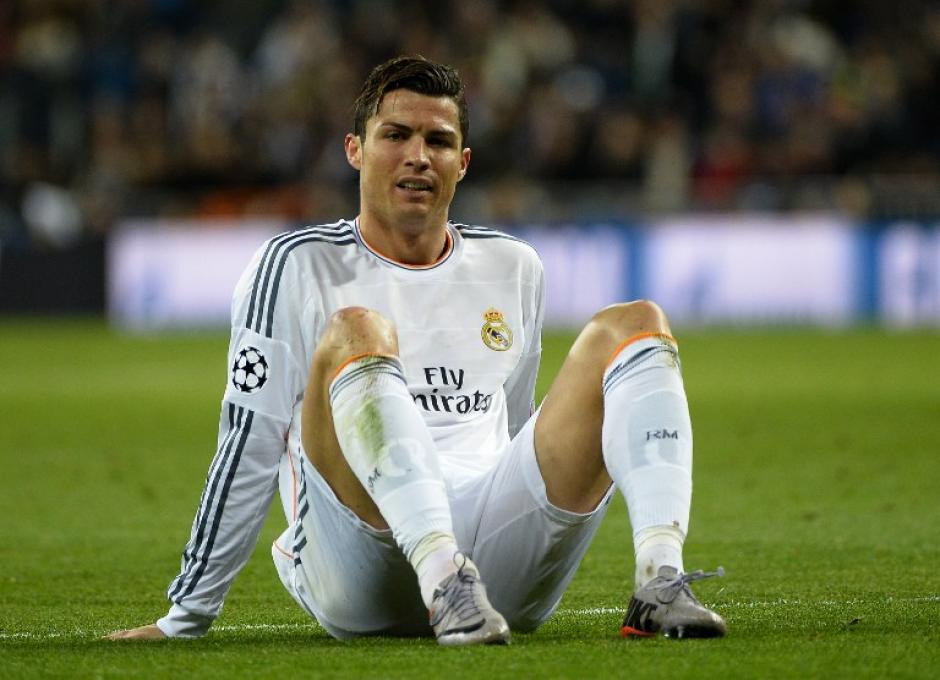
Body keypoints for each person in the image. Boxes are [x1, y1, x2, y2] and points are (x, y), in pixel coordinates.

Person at [108, 55, 726, 645]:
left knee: (635, 324)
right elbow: (249, 441)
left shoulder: (513, 266)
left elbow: (517, 428)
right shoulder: (296, 266)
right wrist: (187, 614)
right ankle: (441, 576)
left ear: (463, 162)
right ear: (355, 150)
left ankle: (660, 579)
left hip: (495, 570)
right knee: (358, 331)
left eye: (438, 141)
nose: (418, 156)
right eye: (396, 135)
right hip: (359, 562)